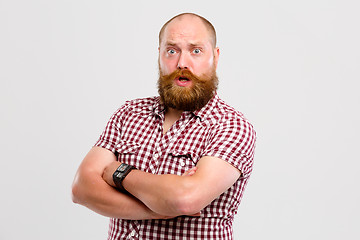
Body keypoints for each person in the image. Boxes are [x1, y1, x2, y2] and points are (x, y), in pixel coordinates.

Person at [72, 12, 256, 239]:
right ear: (159, 55)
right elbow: (82, 188)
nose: (182, 63)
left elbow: (186, 199)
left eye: (195, 51)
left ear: (215, 57)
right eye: (172, 51)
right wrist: (158, 209)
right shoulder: (128, 113)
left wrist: (119, 173)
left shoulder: (232, 126)